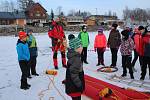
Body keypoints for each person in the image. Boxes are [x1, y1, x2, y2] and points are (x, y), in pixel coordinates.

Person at [65, 34, 85, 100]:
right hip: (75, 89)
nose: (82, 47)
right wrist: (80, 86)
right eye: (80, 46)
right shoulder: (76, 59)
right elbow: (74, 75)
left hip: (72, 87)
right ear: (76, 48)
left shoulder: (72, 56)